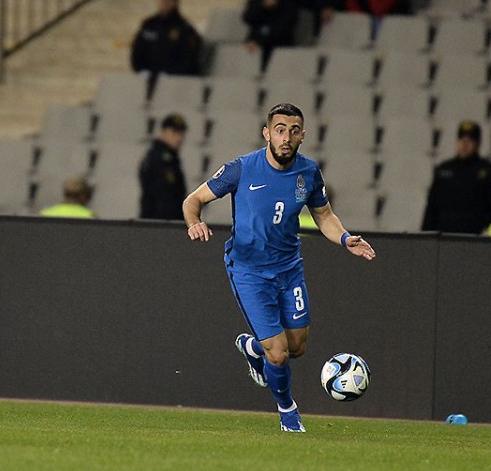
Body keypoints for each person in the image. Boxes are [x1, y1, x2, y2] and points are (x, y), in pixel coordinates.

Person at [182, 103, 375, 432]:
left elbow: (324, 216)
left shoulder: (309, 173)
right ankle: (288, 412)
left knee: (297, 347)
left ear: (303, 136)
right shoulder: (241, 169)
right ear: (267, 133)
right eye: (280, 129)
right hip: (249, 271)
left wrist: (344, 239)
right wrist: (193, 222)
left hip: (289, 269)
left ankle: (251, 347)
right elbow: (193, 200)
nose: (286, 137)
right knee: (279, 352)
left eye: (294, 130)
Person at [422, 120, 491, 234]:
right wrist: (425, 235)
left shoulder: (486, 171)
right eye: (461, 140)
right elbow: (432, 207)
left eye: (469, 141)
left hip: (473, 238)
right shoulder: (443, 169)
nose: (464, 144)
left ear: (477, 144)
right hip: (443, 236)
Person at [130, 0, 202, 79]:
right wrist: (141, 70)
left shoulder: (184, 28)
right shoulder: (149, 25)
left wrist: (171, 74)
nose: (165, 1)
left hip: (173, 82)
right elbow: (137, 51)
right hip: (148, 79)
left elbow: (189, 60)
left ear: (176, 2)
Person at [242, 0, 298, 70]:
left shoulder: (289, 4)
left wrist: (259, 40)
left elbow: (282, 28)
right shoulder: (255, 1)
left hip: (279, 49)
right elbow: (248, 18)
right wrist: (262, 6)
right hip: (255, 47)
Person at [139, 113, 188, 220]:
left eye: (181, 133)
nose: (179, 137)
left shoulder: (170, 159)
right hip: (159, 223)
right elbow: (163, 197)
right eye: (174, 132)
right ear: (163, 132)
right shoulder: (159, 159)